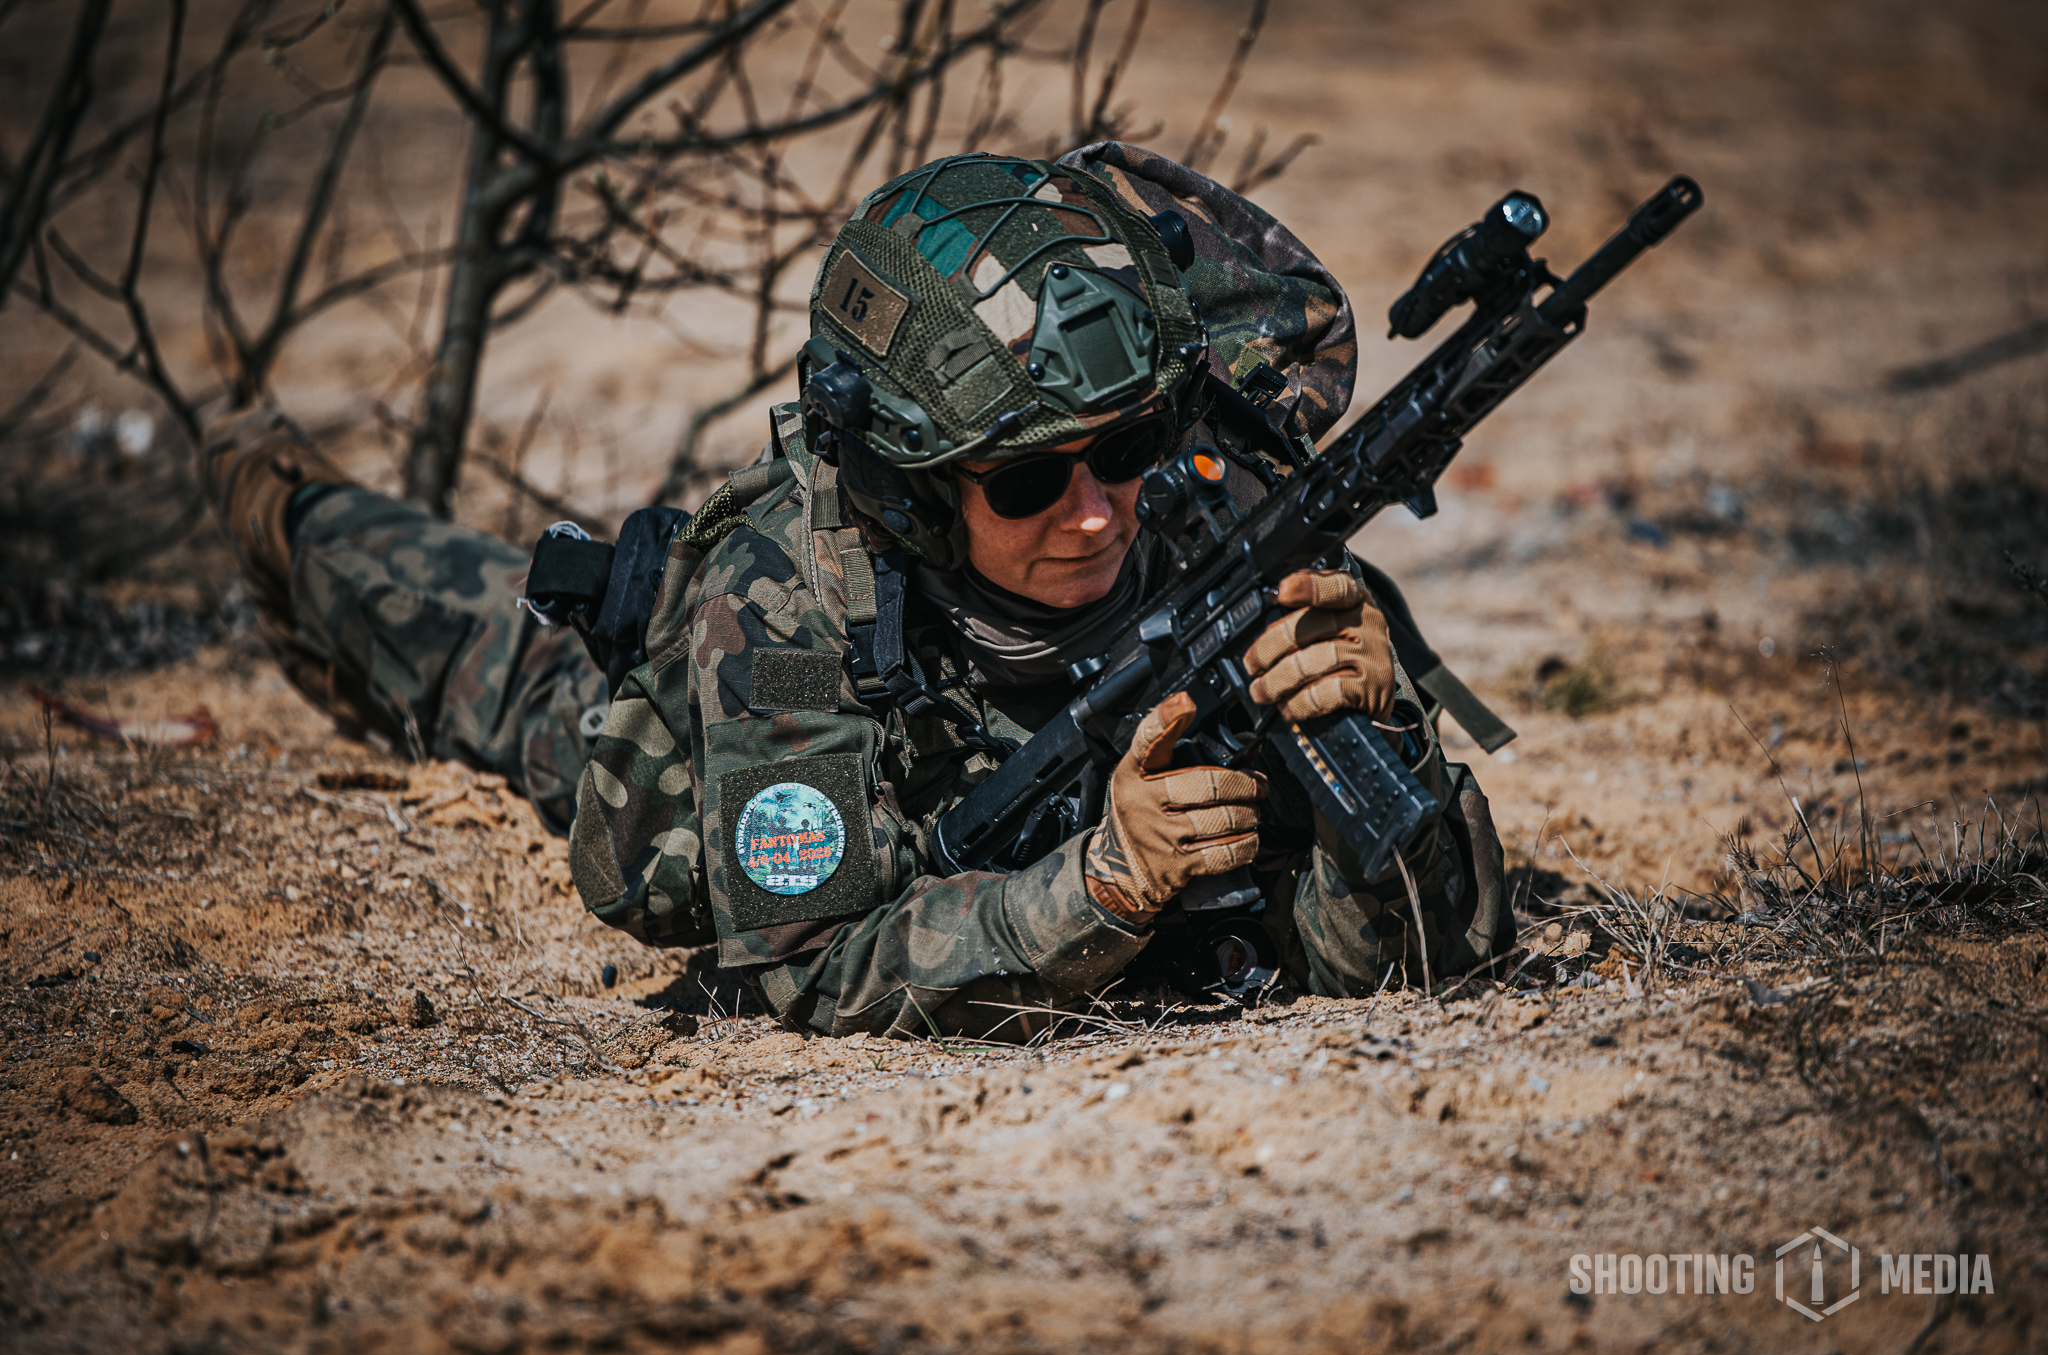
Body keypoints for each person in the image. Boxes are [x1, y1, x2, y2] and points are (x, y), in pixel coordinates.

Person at [204, 143, 1511, 1039]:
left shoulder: (1216, 513)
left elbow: (1412, 956)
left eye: (1123, 450)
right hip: (725, 745)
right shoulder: (786, 601)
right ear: (918, 492)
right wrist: (1099, 889)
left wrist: (1386, 737)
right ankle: (283, 502)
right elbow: (813, 962)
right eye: (1027, 481)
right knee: (503, 669)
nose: (1097, 510)